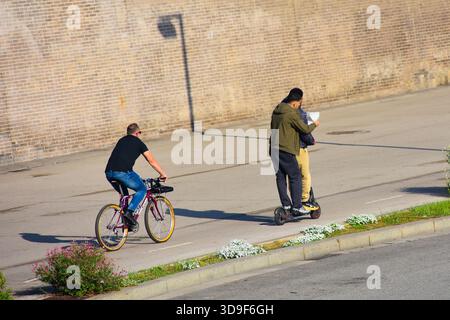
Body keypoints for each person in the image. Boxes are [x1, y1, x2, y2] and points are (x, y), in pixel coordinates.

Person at [105, 123, 167, 231]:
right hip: (123, 172)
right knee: (142, 189)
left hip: (109, 173)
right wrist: (162, 174)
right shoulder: (139, 143)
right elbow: (151, 160)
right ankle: (129, 214)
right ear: (138, 133)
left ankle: (126, 223)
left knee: (125, 196)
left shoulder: (121, 140)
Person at [270, 88, 319, 216]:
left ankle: (286, 204)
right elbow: (305, 129)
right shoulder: (291, 113)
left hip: (273, 148)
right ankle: (297, 206)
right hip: (285, 149)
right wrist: (315, 124)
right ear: (295, 103)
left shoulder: (277, 110)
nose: (298, 106)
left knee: (280, 177)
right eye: (299, 103)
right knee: (295, 176)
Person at [296, 105, 317, 208]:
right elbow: (304, 132)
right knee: (305, 175)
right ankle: (304, 199)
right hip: (300, 148)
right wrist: (311, 141)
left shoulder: (281, 113)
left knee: (294, 177)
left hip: (287, 150)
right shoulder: (300, 114)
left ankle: (295, 200)